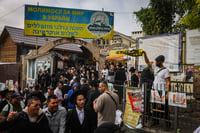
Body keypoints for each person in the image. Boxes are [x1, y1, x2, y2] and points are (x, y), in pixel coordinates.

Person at [143, 52, 170, 126]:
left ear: (161, 62)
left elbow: (168, 82)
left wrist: (167, 92)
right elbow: (148, 62)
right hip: (155, 90)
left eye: (157, 61)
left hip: (162, 91)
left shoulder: (166, 71)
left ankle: (167, 122)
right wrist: (145, 54)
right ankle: (155, 121)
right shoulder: (155, 68)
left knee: (165, 107)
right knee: (154, 106)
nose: (156, 62)